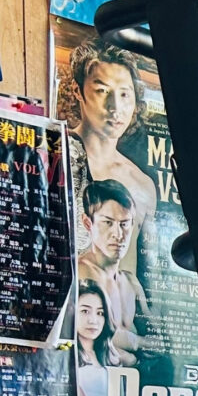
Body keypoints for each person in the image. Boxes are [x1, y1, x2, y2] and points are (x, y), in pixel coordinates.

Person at [67, 40, 157, 246]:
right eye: (102, 91)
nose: (115, 107)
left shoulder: (142, 185)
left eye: (124, 94)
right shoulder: (54, 155)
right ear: (77, 90)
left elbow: (135, 263)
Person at [77, 180, 149, 363]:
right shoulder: (80, 273)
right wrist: (136, 347)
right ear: (88, 223)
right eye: (108, 223)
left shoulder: (131, 282)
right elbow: (91, 334)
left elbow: (156, 339)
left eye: (124, 224)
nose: (118, 234)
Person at [74, 284, 122, 396]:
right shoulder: (67, 356)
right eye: (85, 311)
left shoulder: (110, 356)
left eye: (100, 313)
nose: (93, 320)